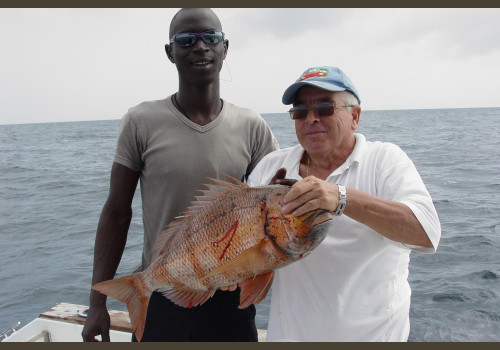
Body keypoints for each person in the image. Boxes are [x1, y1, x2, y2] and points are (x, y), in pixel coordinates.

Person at [81, 8, 278, 342]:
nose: (199, 47)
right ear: (170, 52)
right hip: (162, 294)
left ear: (224, 48)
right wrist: (97, 302)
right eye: (186, 40)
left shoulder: (252, 127)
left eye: (210, 38)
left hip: (229, 295)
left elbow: (273, 200)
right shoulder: (139, 121)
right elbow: (116, 212)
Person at [247, 66, 441, 341]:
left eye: (325, 108)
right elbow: (246, 249)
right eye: (300, 112)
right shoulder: (272, 166)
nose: (311, 119)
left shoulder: (385, 160)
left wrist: (341, 198)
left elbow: (427, 233)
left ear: (355, 116)